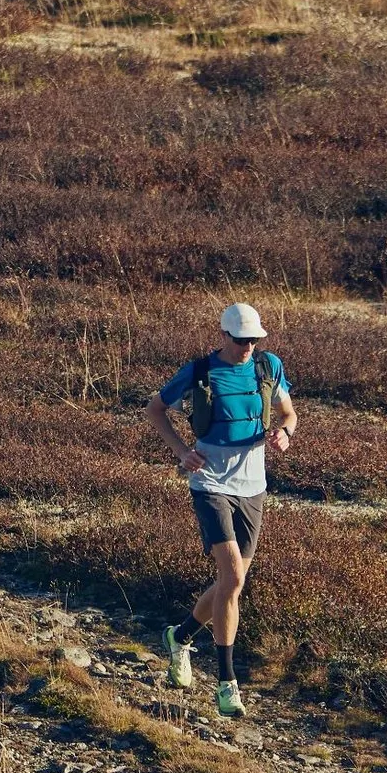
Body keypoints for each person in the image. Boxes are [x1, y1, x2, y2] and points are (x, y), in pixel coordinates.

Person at [153, 299, 296, 721]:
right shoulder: (199, 372)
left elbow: (288, 412)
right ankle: (226, 683)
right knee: (232, 577)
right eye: (241, 340)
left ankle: (180, 638)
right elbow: (155, 410)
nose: (248, 346)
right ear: (224, 335)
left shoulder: (268, 367)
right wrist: (181, 451)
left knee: (229, 585)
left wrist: (285, 433)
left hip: (254, 486)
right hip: (211, 483)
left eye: (254, 339)